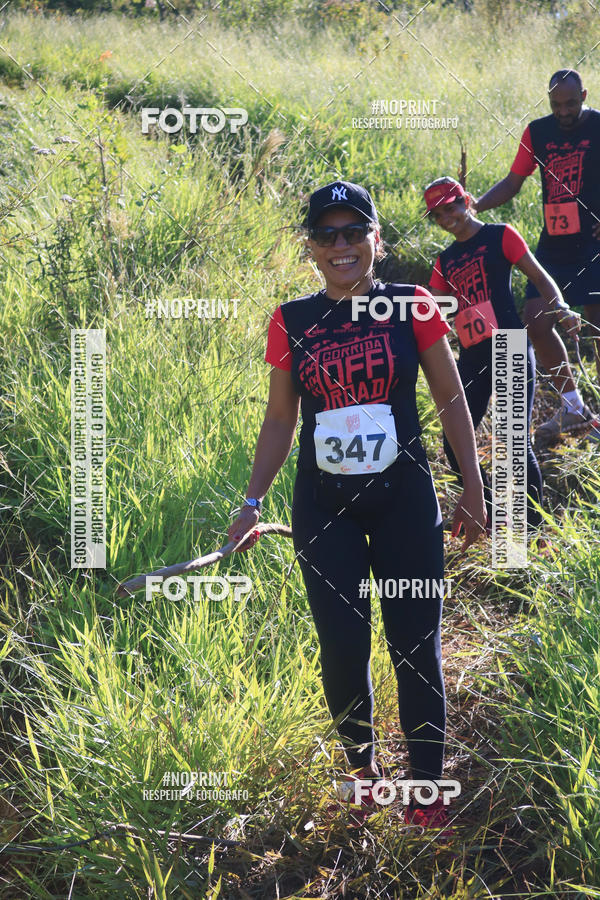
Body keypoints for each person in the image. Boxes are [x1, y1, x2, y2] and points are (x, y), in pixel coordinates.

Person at [227, 180, 486, 834]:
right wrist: (251, 502)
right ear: (310, 246)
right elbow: (280, 419)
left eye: (353, 232)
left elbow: (452, 401)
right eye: (326, 235)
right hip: (324, 508)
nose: (341, 245)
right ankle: (363, 774)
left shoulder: (412, 304)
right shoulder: (293, 320)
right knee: (342, 645)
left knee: (415, 644)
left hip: (405, 502)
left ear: (377, 237)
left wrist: (474, 488)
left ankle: (427, 787)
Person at [425, 176, 567, 535]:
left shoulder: (500, 235)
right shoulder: (445, 261)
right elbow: (431, 312)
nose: (448, 217)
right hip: (471, 359)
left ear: (467, 200)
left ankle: (534, 535)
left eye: (452, 207)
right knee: (454, 444)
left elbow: (538, 275)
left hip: (510, 346)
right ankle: (489, 513)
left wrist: (560, 304)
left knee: (514, 443)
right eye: (439, 215)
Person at [473, 68, 597, 444]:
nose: (563, 111)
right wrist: (474, 206)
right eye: (556, 104)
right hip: (553, 245)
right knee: (536, 321)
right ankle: (573, 407)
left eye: (571, 103)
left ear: (584, 95)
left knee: (596, 328)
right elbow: (513, 182)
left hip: (593, 246)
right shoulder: (536, 132)